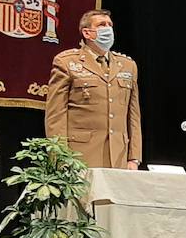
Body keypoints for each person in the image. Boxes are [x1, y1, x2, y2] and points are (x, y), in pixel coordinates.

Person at [43, 9, 142, 169]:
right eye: (102, 25)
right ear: (87, 33)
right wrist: (60, 156)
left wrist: (134, 157)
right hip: (80, 155)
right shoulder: (67, 63)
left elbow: (133, 115)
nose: (108, 29)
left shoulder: (127, 66)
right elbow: (56, 115)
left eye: (110, 24)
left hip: (119, 156)